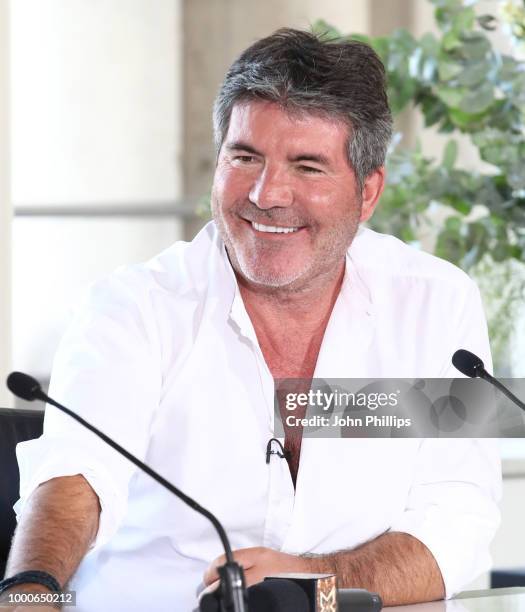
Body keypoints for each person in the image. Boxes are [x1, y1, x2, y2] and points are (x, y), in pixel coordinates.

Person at [1, 28, 501, 612]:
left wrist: (312, 584)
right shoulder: (132, 307)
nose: (266, 194)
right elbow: (75, 476)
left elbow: (460, 517)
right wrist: (29, 596)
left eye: (308, 167)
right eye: (245, 157)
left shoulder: (437, 303)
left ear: (368, 193)